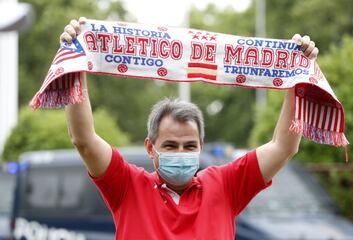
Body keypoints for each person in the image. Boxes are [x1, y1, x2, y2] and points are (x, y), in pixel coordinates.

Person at [61, 17, 318, 239]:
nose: (181, 152)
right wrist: (74, 64)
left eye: (190, 146)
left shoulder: (226, 185)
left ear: (201, 147)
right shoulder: (127, 186)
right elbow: (83, 139)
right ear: (150, 148)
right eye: (171, 146)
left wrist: (298, 77)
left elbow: (284, 147)